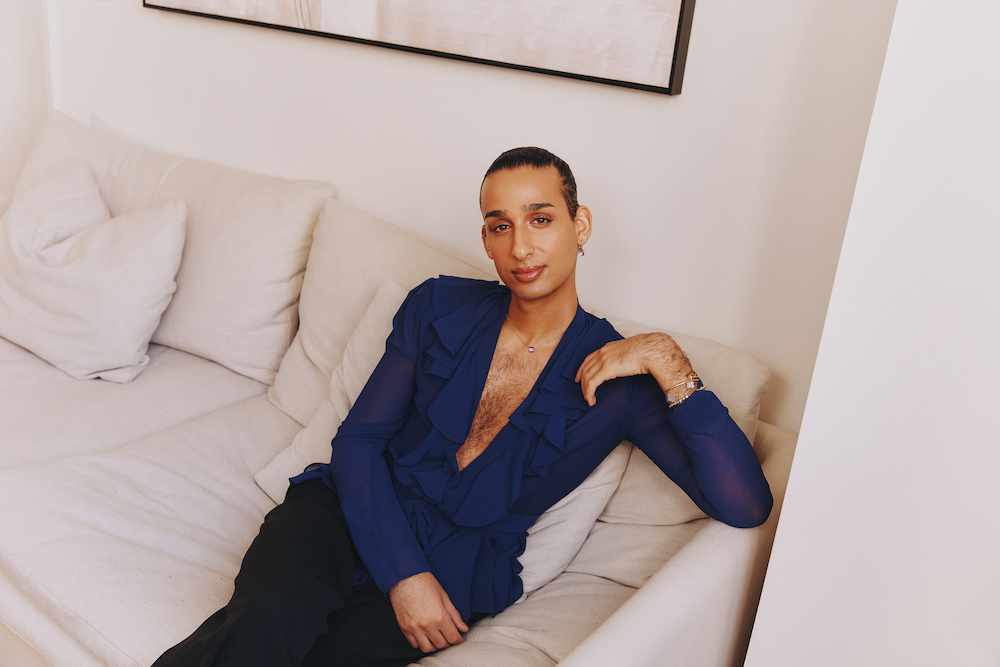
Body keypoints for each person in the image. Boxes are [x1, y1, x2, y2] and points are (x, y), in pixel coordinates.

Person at [153, 147, 772, 667]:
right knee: (264, 618)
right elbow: (359, 442)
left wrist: (670, 362)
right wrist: (404, 577)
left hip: (456, 571)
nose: (521, 247)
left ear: (580, 225)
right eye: (501, 226)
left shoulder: (622, 380)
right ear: (486, 239)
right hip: (345, 512)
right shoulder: (436, 308)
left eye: (541, 219)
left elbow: (744, 505)